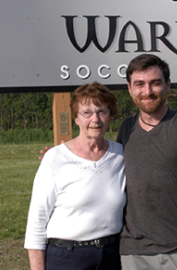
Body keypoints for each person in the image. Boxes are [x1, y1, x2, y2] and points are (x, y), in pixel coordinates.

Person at [117, 53, 177, 270]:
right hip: (132, 254)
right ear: (129, 88)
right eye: (139, 84)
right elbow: (104, 167)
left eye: (155, 83)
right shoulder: (126, 128)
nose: (147, 91)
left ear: (168, 85)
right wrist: (62, 156)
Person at [24, 82, 126, 270]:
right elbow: (36, 224)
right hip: (67, 258)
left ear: (110, 116)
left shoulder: (121, 155)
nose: (95, 119)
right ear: (76, 118)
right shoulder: (55, 158)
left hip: (112, 256)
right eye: (87, 113)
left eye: (102, 111)